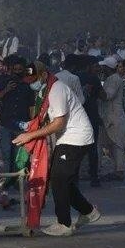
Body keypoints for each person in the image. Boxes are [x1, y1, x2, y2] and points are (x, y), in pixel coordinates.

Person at [13, 62, 100, 237]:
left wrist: (30, 136)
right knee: (63, 180)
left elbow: (58, 122)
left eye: (34, 79)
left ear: (44, 75)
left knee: (58, 179)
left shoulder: (56, 89)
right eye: (29, 80)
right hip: (68, 137)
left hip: (76, 137)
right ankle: (88, 211)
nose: (31, 83)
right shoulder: (44, 90)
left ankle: (64, 223)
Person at [0, 54, 35, 175]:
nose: (17, 72)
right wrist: (6, 91)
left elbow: (31, 105)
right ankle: (7, 181)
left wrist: (32, 123)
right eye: (15, 69)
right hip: (5, 123)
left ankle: (18, 181)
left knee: (19, 156)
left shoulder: (27, 84)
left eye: (20, 70)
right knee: (6, 153)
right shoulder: (0, 81)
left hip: (22, 124)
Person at [69, 55, 104, 186]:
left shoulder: (73, 78)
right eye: (95, 66)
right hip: (91, 117)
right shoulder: (93, 78)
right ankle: (94, 178)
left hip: (77, 117)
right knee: (92, 148)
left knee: (76, 148)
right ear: (89, 66)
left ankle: (75, 177)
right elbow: (103, 95)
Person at [98, 57, 125, 181]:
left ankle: (119, 171)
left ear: (108, 68)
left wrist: (95, 89)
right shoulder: (110, 79)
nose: (102, 69)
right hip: (109, 116)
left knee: (117, 144)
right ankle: (115, 169)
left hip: (114, 116)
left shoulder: (114, 79)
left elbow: (107, 96)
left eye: (104, 67)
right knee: (108, 144)